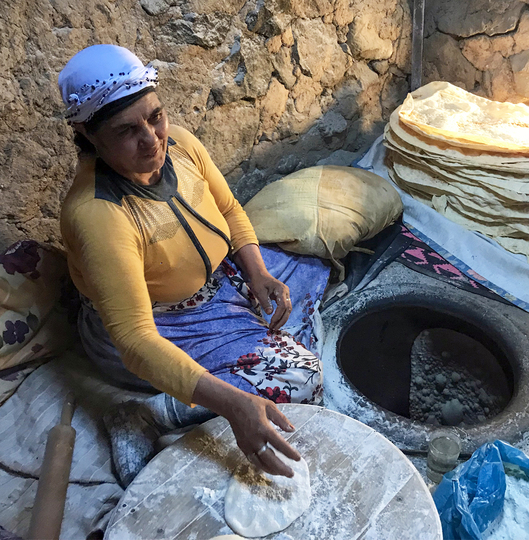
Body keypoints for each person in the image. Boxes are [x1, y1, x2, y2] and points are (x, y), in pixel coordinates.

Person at [57, 44, 330, 487]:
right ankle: (149, 415)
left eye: (155, 116)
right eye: (127, 131)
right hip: (160, 324)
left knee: (307, 275)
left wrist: (257, 273)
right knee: (299, 376)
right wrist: (234, 406)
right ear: (89, 135)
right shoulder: (97, 213)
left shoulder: (181, 143)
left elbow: (232, 211)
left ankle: (223, 374)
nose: (152, 139)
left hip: (218, 287)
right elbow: (135, 340)